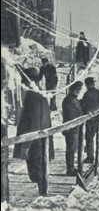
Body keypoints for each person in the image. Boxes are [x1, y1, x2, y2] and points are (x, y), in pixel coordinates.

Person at [13, 67, 55, 195]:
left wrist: (25, 147)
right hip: (41, 142)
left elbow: (33, 124)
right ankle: (43, 195)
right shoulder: (40, 95)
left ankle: (43, 198)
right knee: (40, 173)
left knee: (36, 174)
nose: (24, 85)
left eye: (25, 83)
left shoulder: (32, 98)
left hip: (34, 143)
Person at [81, 77, 99, 163]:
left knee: (89, 139)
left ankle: (90, 157)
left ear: (87, 85)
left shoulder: (87, 94)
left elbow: (83, 107)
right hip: (98, 119)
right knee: (95, 138)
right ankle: (95, 155)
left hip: (90, 119)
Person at [62, 81, 84, 176]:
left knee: (73, 149)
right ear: (73, 90)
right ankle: (69, 169)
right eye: (77, 90)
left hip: (75, 128)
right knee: (71, 149)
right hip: (71, 129)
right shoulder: (68, 100)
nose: (78, 92)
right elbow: (71, 115)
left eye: (80, 90)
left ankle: (72, 167)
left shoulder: (74, 99)